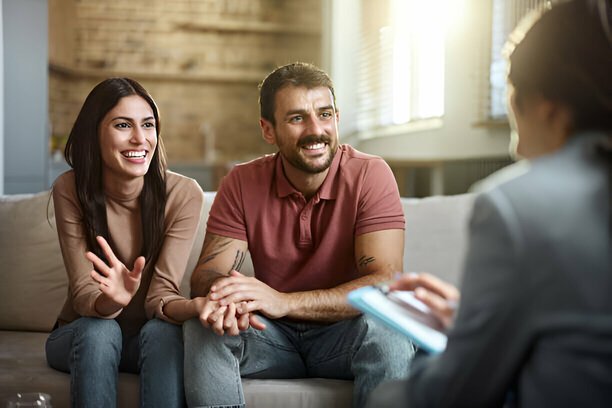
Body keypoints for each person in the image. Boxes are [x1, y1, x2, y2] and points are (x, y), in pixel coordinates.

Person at [366, 0, 612, 406]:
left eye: (512, 95)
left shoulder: (514, 206)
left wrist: (455, 342)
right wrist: (477, 317)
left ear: (547, 108)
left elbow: (454, 393)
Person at [183, 62, 415, 408]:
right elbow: (206, 273)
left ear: (337, 117)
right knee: (203, 325)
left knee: (391, 330)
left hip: (345, 334)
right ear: (268, 130)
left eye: (324, 114)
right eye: (296, 118)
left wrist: (283, 300)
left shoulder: (370, 173)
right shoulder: (242, 182)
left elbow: (383, 281)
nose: (315, 130)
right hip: (271, 337)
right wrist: (231, 296)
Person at [46, 77, 205, 407]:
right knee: (100, 331)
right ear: (95, 133)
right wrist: (111, 301)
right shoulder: (69, 188)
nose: (140, 138)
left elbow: (162, 294)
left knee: (164, 334)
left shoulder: (183, 194)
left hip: (147, 338)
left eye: (148, 125)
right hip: (82, 333)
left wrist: (197, 309)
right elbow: (83, 293)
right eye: (122, 125)